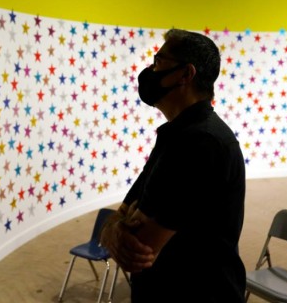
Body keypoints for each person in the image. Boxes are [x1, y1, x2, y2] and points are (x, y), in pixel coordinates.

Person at [100, 28, 246, 302]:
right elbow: (127, 208)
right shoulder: (177, 135)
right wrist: (111, 229)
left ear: (185, 74)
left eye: (158, 62)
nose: (150, 71)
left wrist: (113, 229)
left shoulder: (201, 143)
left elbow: (139, 248)